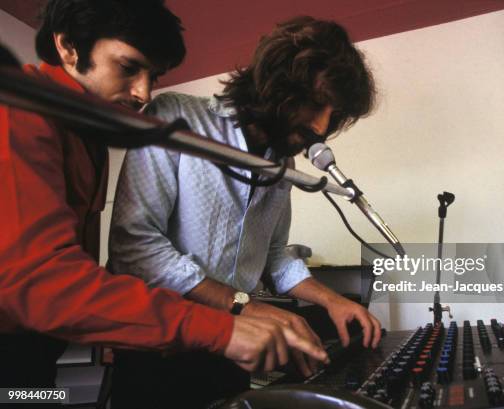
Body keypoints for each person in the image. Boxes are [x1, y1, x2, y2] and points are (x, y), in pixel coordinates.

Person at [0, 0, 328, 399]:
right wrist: (224, 326)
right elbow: (46, 283)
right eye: (128, 68)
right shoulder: (18, 114)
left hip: (33, 359)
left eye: (152, 76)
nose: (143, 93)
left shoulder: (88, 135)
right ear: (68, 47)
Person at [109, 16, 381, 408]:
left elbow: (273, 255)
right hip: (158, 346)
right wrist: (246, 304)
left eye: (332, 115)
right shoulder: (175, 118)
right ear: (277, 85)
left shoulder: (283, 166)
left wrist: (331, 300)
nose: (321, 126)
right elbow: (134, 246)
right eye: (316, 104)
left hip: (232, 347)